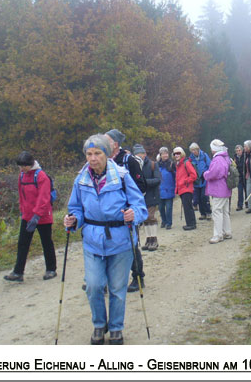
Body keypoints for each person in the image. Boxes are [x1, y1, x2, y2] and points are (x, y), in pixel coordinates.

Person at [64, 134, 147, 345]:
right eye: (89, 154)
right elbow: (76, 208)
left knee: (118, 289)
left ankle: (117, 327)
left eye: (97, 153)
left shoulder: (121, 176)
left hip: (121, 241)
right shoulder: (81, 179)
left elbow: (140, 206)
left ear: (106, 154)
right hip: (93, 241)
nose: (93, 158)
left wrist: (133, 214)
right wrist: (73, 220)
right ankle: (99, 324)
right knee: (93, 286)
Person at [105, 129, 147, 294]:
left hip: (127, 212)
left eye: (106, 140)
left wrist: (130, 204)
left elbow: (141, 185)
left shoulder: (129, 160)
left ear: (115, 144)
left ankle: (138, 277)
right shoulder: (103, 161)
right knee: (106, 245)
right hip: (108, 213)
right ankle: (104, 281)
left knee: (130, 245)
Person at [4, 151, 57, 282]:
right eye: (20, 166)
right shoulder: (22, 176)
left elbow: (43, 198)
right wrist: (23, 211)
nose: (22, 169)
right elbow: (22, 196)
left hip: (43, 217)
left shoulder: (41, 176)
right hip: (27, 216)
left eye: (24, 166)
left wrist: (37, 215)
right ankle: (18, 272)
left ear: (31, 164)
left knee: (46, 242)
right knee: (22, 243)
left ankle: (51, 269)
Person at [133, 144, 161, 251]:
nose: (139, 157)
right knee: (145, 218)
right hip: (141, 197)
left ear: (145, 154)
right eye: (137, 155)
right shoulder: (135, 166)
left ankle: (154, 239)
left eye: (140, 155)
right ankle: (149, 239)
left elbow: (158, 179)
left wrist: (143, 183)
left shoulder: (153, 165)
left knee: (150, 217)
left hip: (151, 195)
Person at [203, 139, 232, 244]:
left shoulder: (217, 159)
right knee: (224, 211)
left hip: (219, 189)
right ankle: (227, 232)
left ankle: (218, 235)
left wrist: (205, 174)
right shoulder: (226, 157)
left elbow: (213, 174)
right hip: (225, 189)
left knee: (216, 212)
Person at [173, 147, 197, 230]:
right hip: (182, 189)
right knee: (187, 207)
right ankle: (191, 223)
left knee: (188, 207)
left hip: (186, 189)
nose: (176, 155)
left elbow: (194, 175)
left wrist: (186, 181)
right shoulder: (178, 164)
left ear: (182, 153)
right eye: (175, 153)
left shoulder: (186, 163)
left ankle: (191, 224)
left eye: (178, 153)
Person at [188, 143, 212, 220]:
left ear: (198, 149)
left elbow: (210, 166)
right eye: (192, 150)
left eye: (195, 150)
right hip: (196, 182)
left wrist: (206, 174)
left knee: (204, 197)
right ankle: (202, 214)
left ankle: (208, 212)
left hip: (204, 180)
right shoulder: (190, 159)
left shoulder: (204, 156)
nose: (194, 151)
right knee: (198, 198)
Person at [157, 147, 176, 230]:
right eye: (163, 153)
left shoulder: (172, 164)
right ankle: (163, 221)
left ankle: (169, 223)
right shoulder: (157, 165)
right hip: (160, 190)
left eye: (166, 153)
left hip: (169, 189)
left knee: (168, 208)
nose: (165, 155)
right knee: (161, 208)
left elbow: (176, 175)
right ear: (160, 155)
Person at [234, 144, 246, 211]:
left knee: (246, 190)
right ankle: (240, 205)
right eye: (237, 151)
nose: (238, 152)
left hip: (245, 175)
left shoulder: (245, 156)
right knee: (240, 191)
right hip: (239, 176)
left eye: (239, 150)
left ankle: (247, 203)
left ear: (242, 150)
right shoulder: (235, 157)